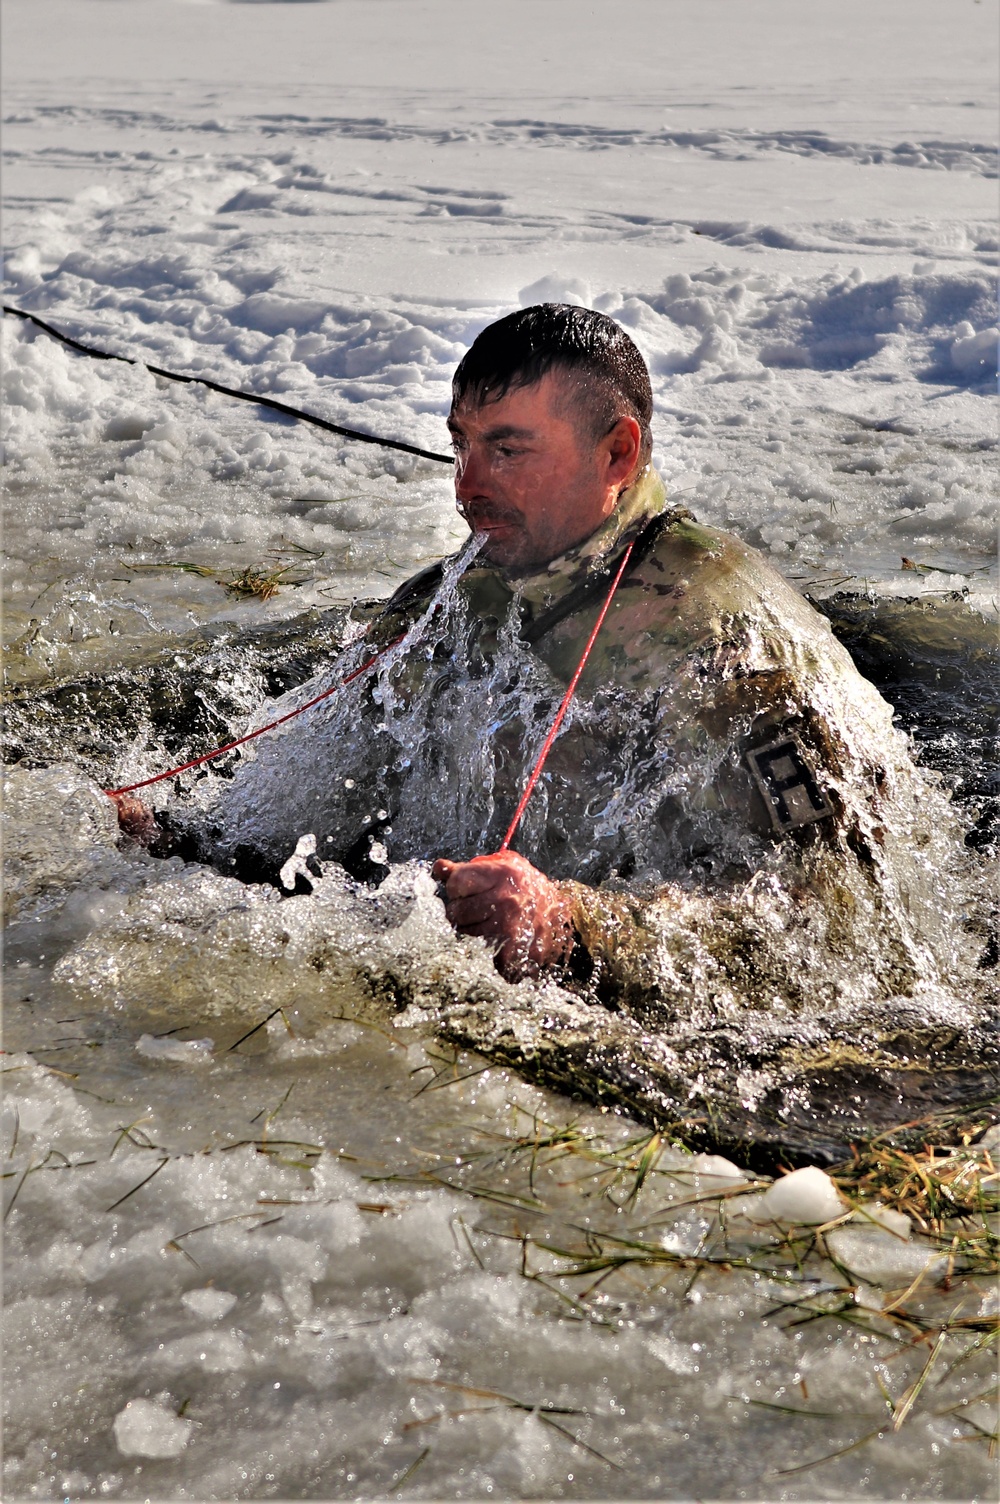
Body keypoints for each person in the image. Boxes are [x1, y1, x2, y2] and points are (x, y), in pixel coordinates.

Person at [116, 304, 947, 1010]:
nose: (467, 485)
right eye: (461, 443)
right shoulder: (448, 600)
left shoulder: (726, 639)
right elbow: (318, 812)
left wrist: (571, 927)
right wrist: (186, 847)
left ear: (617, 455)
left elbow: (842, 924)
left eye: (508, 450)